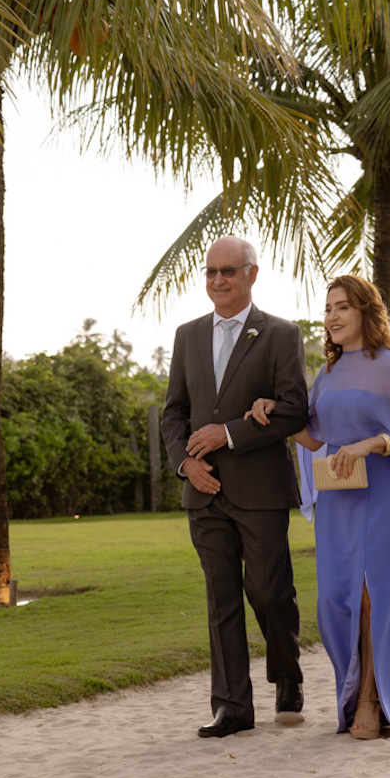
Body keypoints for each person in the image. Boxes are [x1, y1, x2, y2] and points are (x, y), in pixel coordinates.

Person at [245, 275, 390, 740]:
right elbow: (316, 438)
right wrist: (273, 412)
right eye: (328, 308)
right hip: (338, 497)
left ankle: (370, 699)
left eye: (343, 307)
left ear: (365, 312)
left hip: (384, 494)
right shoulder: (327, 374)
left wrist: (370, 444)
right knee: (336, 600)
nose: (332, 317)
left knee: (372, 595)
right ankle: (357, 688)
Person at [161, 236, 308, 739]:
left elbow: (293, 410)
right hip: (203, 492)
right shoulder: (187, 336)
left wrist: (227, 434)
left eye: (228, 270)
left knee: (268, 592)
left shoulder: (281, 334)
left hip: (262, 490)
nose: (218, 280)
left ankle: (287, 674)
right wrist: (185, 464)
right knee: (221, 599)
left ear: (252, 274)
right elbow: (173, 413)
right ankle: (232, 707)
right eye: (211, 272)